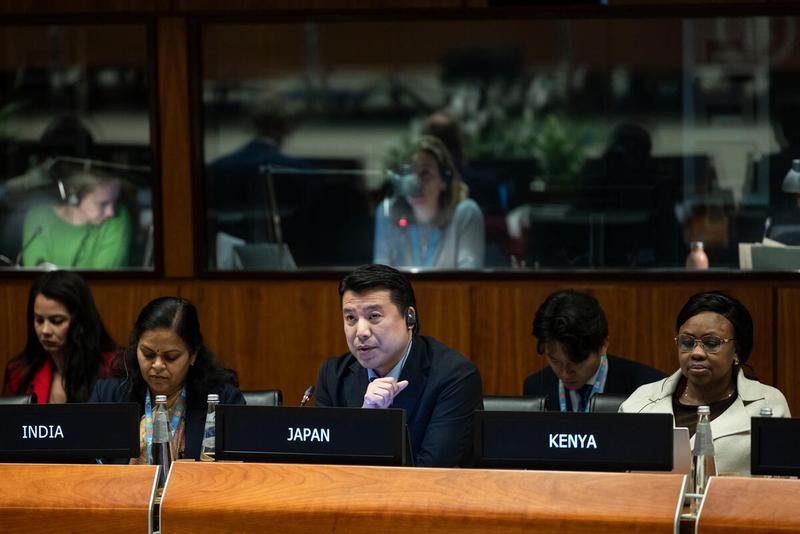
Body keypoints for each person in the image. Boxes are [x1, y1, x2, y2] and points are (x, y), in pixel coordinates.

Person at [315, 264, 483, 467]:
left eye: (374, 316)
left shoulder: (455, 377)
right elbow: (323, 466)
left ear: (409, 317)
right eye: (351, 318)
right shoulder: (334, 375)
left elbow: (431, 472)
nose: (361, 331)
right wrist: (365, 418)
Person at [620, 291, 790, 475]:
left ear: (736, 351)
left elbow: (785, 483)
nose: (697, 353)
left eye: (711, 343)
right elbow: (617, 477)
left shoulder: (768, 403)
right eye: (687, 342)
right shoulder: (642, 400)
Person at [89, 296, 244, 462]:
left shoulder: (224, 401)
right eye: (147, 354)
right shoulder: (108, 395)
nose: (157, 365)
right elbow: (82, 461)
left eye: (170, 357)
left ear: (193, 355)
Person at [523, 289, 666, 411]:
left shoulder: (648, 388)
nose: (565, 374)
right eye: (554, 361)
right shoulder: (535, 388)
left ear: (603, 344)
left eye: (576, 362)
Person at [2, 270, 116, 403]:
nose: (45, 331)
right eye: (39, 320)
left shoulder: (111, 369)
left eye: (56, 321)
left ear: (80, 321)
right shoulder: (19, 372)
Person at [374, 135, 485, 269]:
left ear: (444, 180)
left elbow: (469, 279)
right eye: (408, 173)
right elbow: (380, 276)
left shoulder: (465, 213)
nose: (415, 183)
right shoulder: (388, 213)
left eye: (425, 173)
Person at [22, 167, 131, 268]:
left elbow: (104, 280)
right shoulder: (38, 217)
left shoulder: (117, 218)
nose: (111, 212)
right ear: (75, 196)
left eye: (115, 202)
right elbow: (37, 273)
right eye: (103, 204)